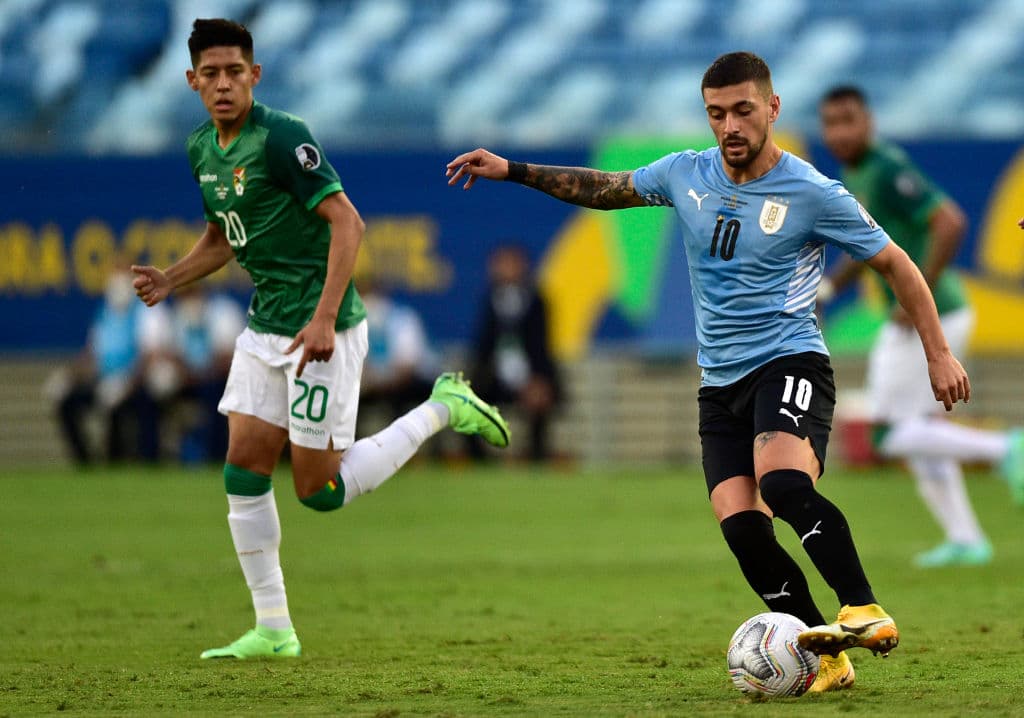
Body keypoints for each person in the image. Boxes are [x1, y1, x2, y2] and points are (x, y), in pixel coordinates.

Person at [446, 52, 971, 693]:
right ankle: (828, 657)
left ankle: (862, 605)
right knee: (744, 530)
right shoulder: (684, 174)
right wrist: (513, 170)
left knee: (782, 483)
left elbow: (898, 265)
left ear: (772, 109)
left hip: (790, 360)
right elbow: (604, 189)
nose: (730, 126)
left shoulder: (812, 192)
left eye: (743, 111)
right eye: (717, 113)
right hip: (718, 383)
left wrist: (937, 352)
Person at [131, 18, 510, 660]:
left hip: (323, 329)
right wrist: (171, 277)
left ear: (255, 75)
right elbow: (224, 236)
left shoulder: (281, 137)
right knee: (243, 466)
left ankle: (444, 405)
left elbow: (348, 222)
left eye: (235, 72)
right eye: (211, 74)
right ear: (192, 81)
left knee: (320, 492)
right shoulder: (202, 149)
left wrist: (327, 316)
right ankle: (274, 628)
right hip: (266, 325)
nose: (224, 85)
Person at [817, 86, 1024, 565]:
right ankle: (966, 538)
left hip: (932, 314)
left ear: (868, 121)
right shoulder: (857, 171)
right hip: (922, 313)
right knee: (919, 431)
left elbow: (949, 222)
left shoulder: (886, 168)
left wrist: (917, 297)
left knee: (887, 434)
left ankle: (1005, 447)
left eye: (848, 120)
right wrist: (829, 288)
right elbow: (866, 244)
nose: (839, 132)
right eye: (830, 123)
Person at [50, 262, 157, 465]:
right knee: (68, 403)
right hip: (104, 382)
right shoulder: (104, 314)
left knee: (122, 407)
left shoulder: (146, 311)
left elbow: (149, 357)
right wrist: (68, 376)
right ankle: (85, 462)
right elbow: (92, 356)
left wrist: (126, 384)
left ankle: (116, 461)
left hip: (134, 384)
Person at [469, 243, 562, 462]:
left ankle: (537, 457)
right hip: (497, 377)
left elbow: (542, 345)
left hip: (531, 375)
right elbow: (483, 346)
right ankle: (480, 460)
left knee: (540, 401)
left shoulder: (536, 300)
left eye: (510, 264)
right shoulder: (490, 300)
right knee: (468, 401)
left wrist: (539, 379)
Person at [135, 283, 247, 462]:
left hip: (216, 379)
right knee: (148, 394)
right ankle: (151, 456)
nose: (188, 300)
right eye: (184, 295)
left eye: (192, 293)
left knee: (215, 393)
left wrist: (200, 371)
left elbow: (229, 357)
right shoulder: (175, 317)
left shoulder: (223, 312)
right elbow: (166, 352)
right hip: (185, 380)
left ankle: (215, 455)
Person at [357, 276, 439, 436]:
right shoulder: (354, 323)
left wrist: (378, 382)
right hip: (372, 384)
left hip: (405, 383)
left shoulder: (402, 318)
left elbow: (407, 367)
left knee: (398, 400)